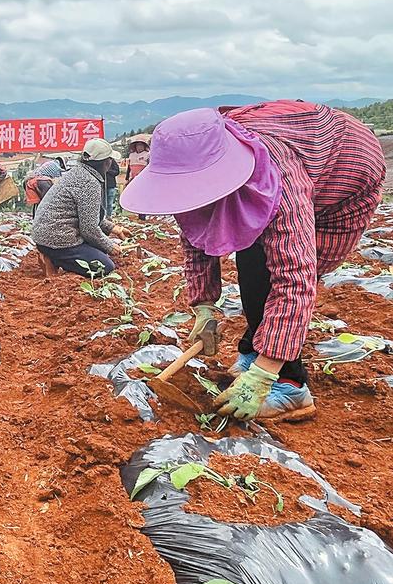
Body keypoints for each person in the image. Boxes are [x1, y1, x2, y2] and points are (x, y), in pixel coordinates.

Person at [121, 103, 386, 420]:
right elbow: (196, 230)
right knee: (252, 257)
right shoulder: (197, 171)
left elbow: (295, 281)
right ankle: (253, 351)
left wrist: (264, 374)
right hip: (297, 162)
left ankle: (289, 384)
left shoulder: (279, 178)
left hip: (344, 178)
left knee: (276, 272)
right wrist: (204, 305)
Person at [31, 138, 127, 277]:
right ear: (106, 163)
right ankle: (53, 258)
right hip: (58, 241)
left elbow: (89, 215)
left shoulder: (78, 172)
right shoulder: (89, 182)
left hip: (44, 237)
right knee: (105, 267)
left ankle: (51, 255)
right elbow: (89, 228)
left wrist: (113, 228)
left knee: (99, 247)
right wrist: (109, 246)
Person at [124, 135, 150, 219]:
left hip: (144, 179)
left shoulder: (147, 155)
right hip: (133, 178)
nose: (139, 147)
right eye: (138, 145)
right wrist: (127, 178)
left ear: (144, 146)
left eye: (141, 145)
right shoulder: (132, 155)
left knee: (143, 196)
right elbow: (129, 167)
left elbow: (149, 166)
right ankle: (136, 212)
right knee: (135, 196)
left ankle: (143, 215)